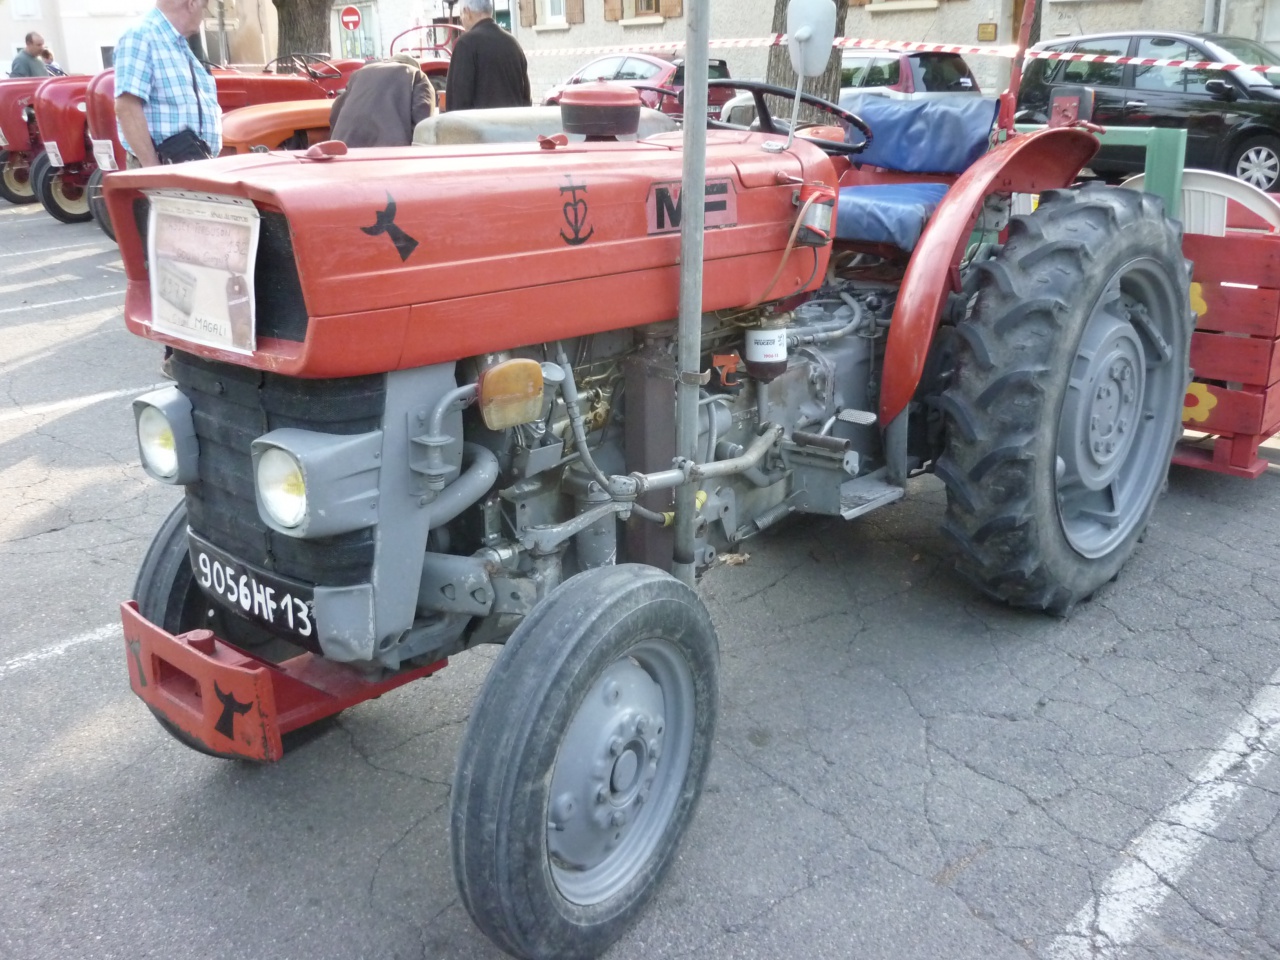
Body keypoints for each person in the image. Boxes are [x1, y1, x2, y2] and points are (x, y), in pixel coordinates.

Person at [113, 0, 221, 168]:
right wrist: (153, 169)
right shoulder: (142, 35)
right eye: (204, 7)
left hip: (188, 164)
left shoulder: (177, 43)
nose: (204, 15)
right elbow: (127, 106)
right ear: (192, 4)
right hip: (163, 169)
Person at [330, 53, 436, 147]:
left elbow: (336, 110)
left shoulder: (361, 73)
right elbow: (423, 123)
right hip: (391, 152)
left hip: (345, 147)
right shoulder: (417, 76)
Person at [444, 0, 531, 112]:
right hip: (514, 126)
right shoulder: (513, 44)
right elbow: (526, 97)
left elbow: (457, 102)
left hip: (479, 127)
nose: (461, 20)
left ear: (467, 12)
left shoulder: (465, 44)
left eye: (461, 14)